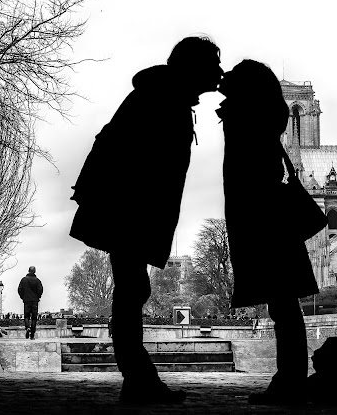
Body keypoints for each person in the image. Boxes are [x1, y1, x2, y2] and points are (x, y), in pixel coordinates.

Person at [70, 36, 223, 404]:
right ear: (193, 69)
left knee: (132, 289)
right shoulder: (164, 99)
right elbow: (141, 164)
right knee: (132, 290)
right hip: (130, 211)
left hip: (129, 210)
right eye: (212, 66)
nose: (218, 72)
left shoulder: (163, 95)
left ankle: (137, 377)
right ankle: (138, 377)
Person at [217, 59, 322, 405]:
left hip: (264, 223)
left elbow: (247, 177)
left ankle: (289, 380)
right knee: (284, 305)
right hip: (271, 221)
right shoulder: (261, 120)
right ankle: (289, 378)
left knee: (283, 305)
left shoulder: (249, 122)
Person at [17, 266, 44, 339]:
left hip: (26, 300)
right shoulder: (37, 280)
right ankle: (32, 335)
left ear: (28, 271)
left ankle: (27, 327)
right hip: (35, 301)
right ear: (34, 271)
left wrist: (23, 297)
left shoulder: (24, 280)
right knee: (34, 318)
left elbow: (19, 289)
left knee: (26, 316)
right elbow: (40, 290)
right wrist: (38, 297)